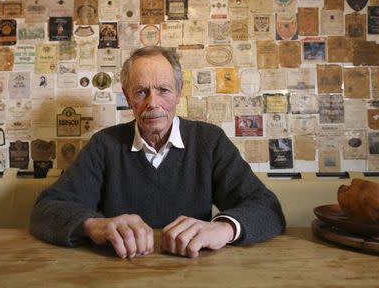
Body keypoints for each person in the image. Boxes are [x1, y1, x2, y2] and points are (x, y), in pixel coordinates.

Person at [30, 46, 286, 259]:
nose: (153, 102)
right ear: (128, 98)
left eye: (163, 90)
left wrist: (223, 229)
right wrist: (94, 225)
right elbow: (46, 209)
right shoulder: (104, 145)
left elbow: (268, 208)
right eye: (141, 92)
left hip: (194, 272)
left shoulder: (209, 141)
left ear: (178, 93)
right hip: (117, 273)